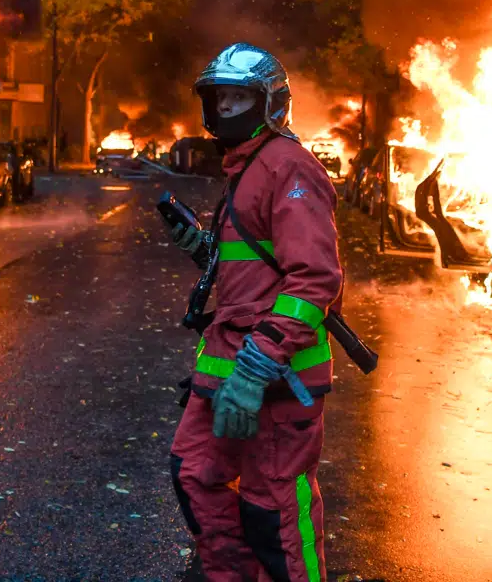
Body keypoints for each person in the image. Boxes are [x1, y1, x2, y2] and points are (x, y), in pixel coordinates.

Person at [162, 43, 343, 582]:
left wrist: (255, 370)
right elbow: (253, 267)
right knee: (195, 475)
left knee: (275, 513)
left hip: (275, 379)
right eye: (219, 98)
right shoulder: (247, 167)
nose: (226, 109)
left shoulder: (289, 167)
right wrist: (202, 247)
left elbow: (314, 279)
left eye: (239, 98)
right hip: (230, 367)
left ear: (271, 103)